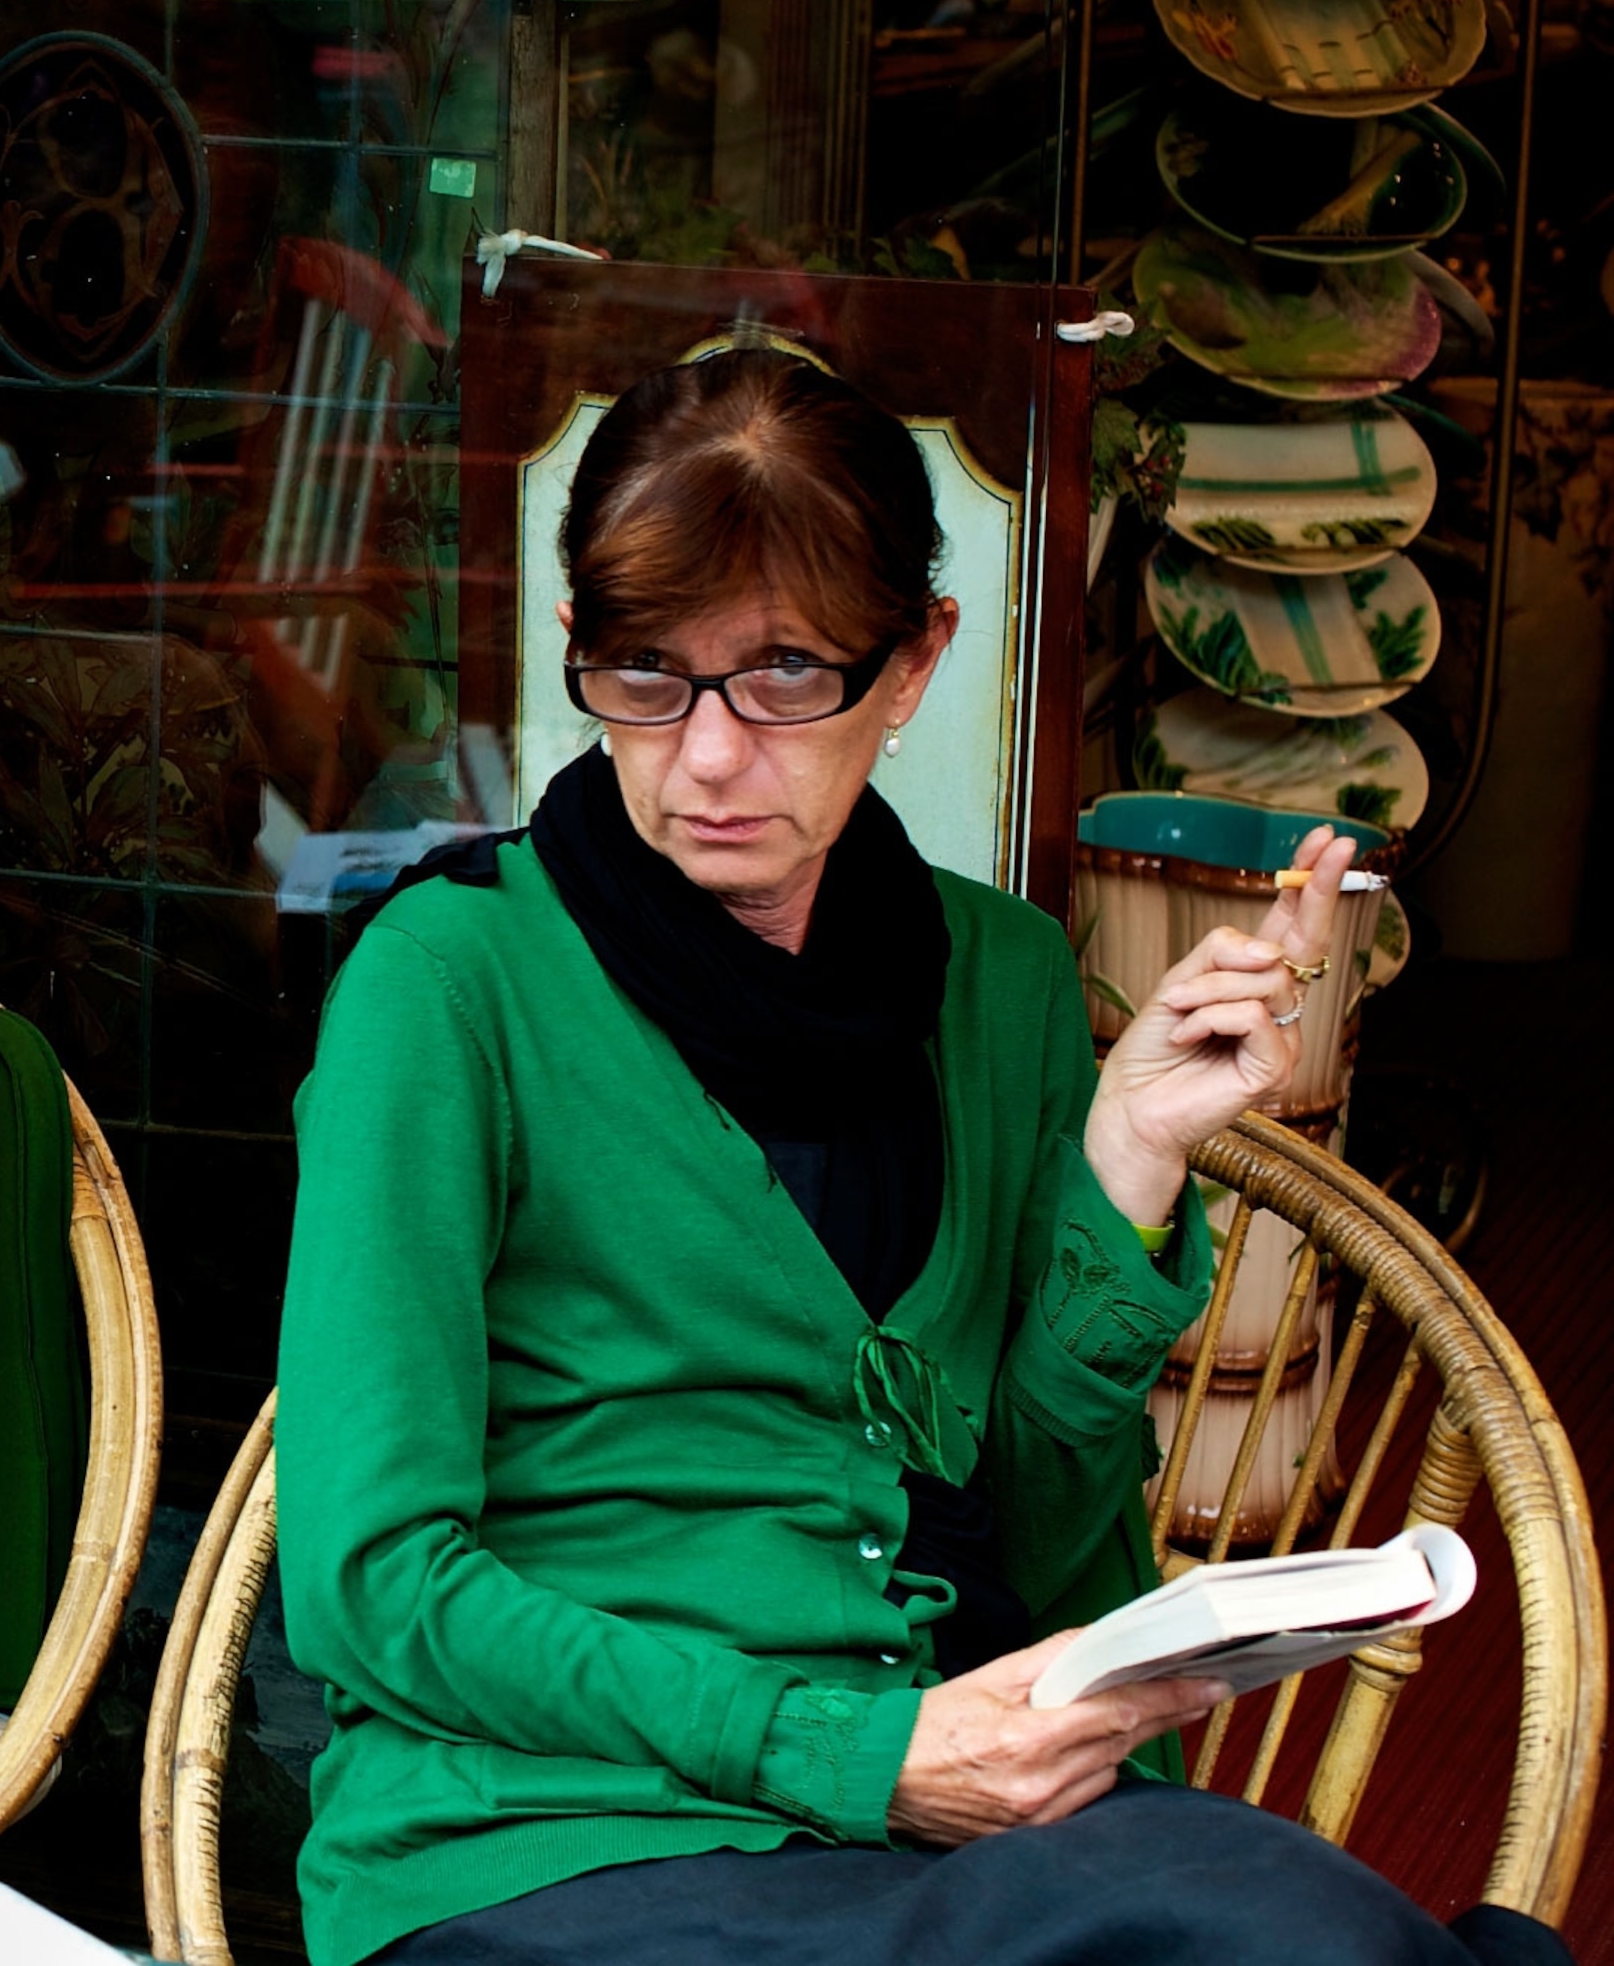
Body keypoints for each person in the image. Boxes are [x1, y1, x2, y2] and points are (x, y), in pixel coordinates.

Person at [274, 349, 1570, 1966]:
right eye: (647, 673)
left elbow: (1033, 1543)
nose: (710, 754)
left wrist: (1129, 1156)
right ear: (577, 651)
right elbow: (368, 1579)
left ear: (915, 664)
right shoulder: (448, 982)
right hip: (549, 1833)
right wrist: (859, 1755)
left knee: (1328, 1946)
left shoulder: (1005, 981)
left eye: (790, 673)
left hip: (965, 1803)